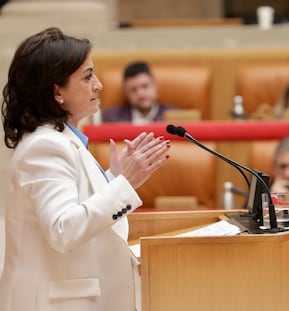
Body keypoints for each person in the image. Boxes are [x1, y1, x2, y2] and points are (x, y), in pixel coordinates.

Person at [0, 27, 170, 311]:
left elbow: (77, 202)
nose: (99, 85)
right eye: (88, 76)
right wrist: (124, 185)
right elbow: (63, 229)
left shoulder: (60, 139)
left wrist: (114, 178)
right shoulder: (46, 146)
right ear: (57, 92)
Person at [102, 61, 177, 123]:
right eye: (133, 89)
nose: (140, 94)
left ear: (155, 84)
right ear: (126, 92)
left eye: (145, 86)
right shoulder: (111, 118)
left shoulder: (174, 116)